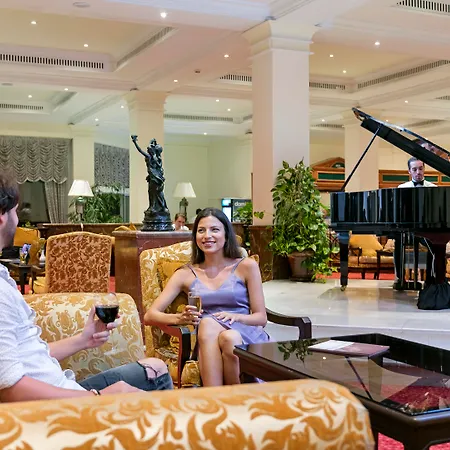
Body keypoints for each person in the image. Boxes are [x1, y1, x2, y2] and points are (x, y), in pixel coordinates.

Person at [0, 172, 172, 402]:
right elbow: (9, 387)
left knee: (156, 367)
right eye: (15, 211)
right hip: (55, 408)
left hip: (61, 388)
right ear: (1, 217)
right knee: (157, 380)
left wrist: (84, 340)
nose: (18, 220)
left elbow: (28, 356)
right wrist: (96, 397)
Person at [145, 207, 269, 387]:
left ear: (226, 234)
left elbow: (261, 318)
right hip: (208, 338)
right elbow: (150, 315)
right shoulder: (185, 273)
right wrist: (180, 318)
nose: (207, 236)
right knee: (219, 331)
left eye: (214, 229)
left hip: (246, 332)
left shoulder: (246, 266)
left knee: (226, 335)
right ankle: (231, 396)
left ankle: (215, 397)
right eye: (201, 230)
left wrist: (236, 317)